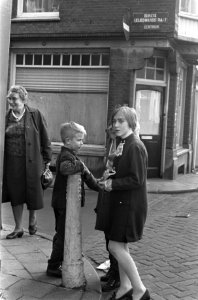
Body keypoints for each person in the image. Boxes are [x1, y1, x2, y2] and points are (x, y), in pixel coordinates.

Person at [98, 106, 150, 300]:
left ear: (131, 123)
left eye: (121, 121)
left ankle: (139, 289)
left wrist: (112, 183)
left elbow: (137, 179)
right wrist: (109, 176)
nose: (116, 125)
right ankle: (125, 287)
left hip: (129, 206)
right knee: (120, 246)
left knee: (114, 246)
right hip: (121, 203)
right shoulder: (123, 143)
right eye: (114, 121)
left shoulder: (135, 145)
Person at [47, 121, 100, 277]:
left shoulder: (70, 155)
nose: (82, 143)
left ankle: (59, 260)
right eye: (79, 140)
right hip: (63, 203)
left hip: (61, 202)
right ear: (68, 141)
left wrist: (98, 186)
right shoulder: (66, 156)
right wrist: (81, 166)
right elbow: (65, 168)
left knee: (61, 233)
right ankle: (53, 266)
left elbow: (88, 178)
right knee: (63, 235)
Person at [2, 85, 52, 239]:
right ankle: (18, 228)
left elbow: (45, 138)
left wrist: (47, 160)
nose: (11, 101)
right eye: (9, 98)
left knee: (33, 191)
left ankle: (32, 218)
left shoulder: (35, 114)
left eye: (14, 98)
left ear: (23, 99)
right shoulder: (5, 117)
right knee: (16, 193)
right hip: (12, 162)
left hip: (33, 160)